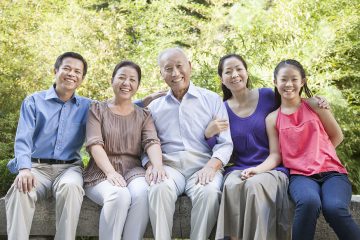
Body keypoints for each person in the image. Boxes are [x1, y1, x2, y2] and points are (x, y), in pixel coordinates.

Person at [143, 48, 233, 240]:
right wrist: (150, 164)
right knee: (158, 189)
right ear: (161, 74)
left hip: (203, 166)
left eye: (179, 66)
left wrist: (212, 166)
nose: (175, 73)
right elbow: (145, 143)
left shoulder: (211, 100)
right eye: (168, 69)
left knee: (209, 193)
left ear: (190, 67)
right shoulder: (154, 108)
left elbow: (225, 144)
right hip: (169, 168)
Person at [266, 59, 360, 240]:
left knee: (334, 207)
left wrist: (317, 156)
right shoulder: (272, 118)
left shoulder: (316, 105)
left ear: (302, 81)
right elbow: (275, 154)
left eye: (294, 79)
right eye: (283, 79)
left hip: (333, 173)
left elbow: (337, 136)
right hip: (300, 176)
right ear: (275, 82)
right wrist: (255, 170)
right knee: (309, 202)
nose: (289, 84)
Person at [204, 54, 291, 240]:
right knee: (231, 185)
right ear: (222, 79)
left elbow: (295, 104)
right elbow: (219, 146)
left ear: (246, 72)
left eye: (238, 69)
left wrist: (317, 102)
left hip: (272, 167)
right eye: (228, 72)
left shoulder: (268, 96)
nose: (234, 74)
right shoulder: (221, 109)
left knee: (254, 185)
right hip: (239, 168)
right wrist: (208, 133)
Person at [5, 52, 91, 240]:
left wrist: (146, 100)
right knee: (21, 190)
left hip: (69, 169)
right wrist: (24, 169)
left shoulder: (88, 106)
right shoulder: (33, 101)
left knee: (72, 188)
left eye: (77, 71)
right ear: (55, 70)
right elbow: (23, 139)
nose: (71, 74)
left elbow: (118, 108)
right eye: (67, 68)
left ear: (82, 79)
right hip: (36, 168)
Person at [83, 60, 166, 240]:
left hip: (133, 170)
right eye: (121, 77)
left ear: (137, 85)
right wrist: (111, 173)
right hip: (101, 172)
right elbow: (94, 144)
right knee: (118, 195)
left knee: (144, 193)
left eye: (132, 80)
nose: (126, 83)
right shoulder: (97, 109)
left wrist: (157, 165)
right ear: (112, 80)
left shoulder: (144, 114)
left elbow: (151, 142)